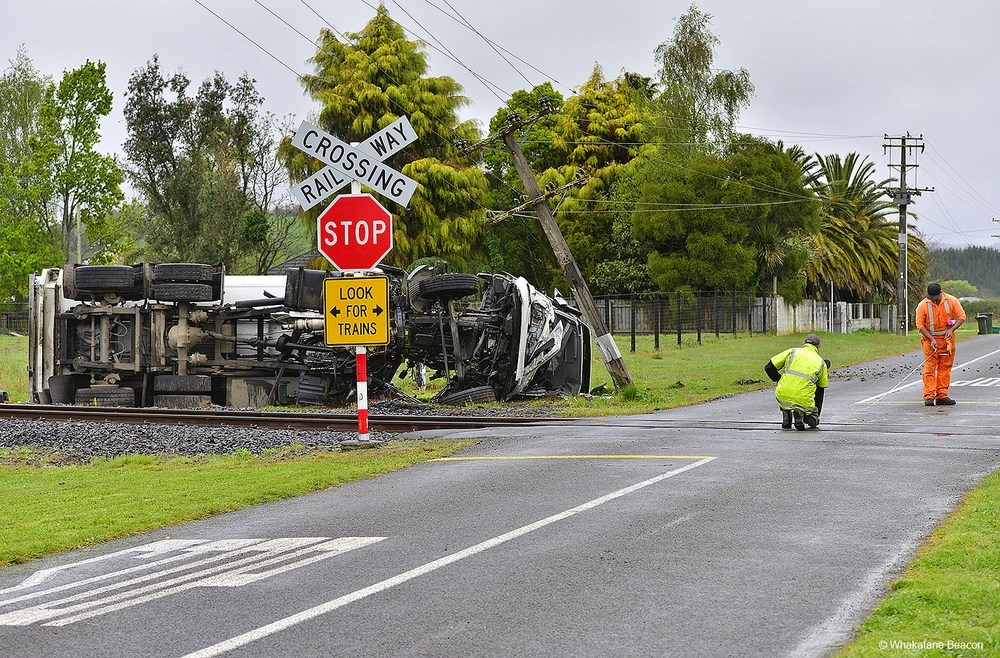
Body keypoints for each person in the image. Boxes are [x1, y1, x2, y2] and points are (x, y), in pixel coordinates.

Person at [915, 282, 966, 406]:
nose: (934, 300)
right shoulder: (922, 305)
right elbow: (920, 325)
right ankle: (929, 396)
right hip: (930, 341)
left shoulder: (952, 300)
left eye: (936, 297)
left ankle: (942, 396)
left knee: (945, 368)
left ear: (941, 293)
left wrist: (951, 330)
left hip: (947, 340)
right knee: (930, 368)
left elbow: (961, 316)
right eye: (931, 298)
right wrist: (931, 339)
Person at [764, 334, 829, 430]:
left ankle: (786, 414)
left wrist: (780, 380)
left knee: (788, 397)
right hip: (803, 400)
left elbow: (768, 368)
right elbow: (820, 391)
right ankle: (800, 414)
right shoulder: (821, 363)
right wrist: (816, 414)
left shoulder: (792, 351)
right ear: (818, 346)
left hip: (782, 395)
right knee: (814, 422)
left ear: (804, 343)